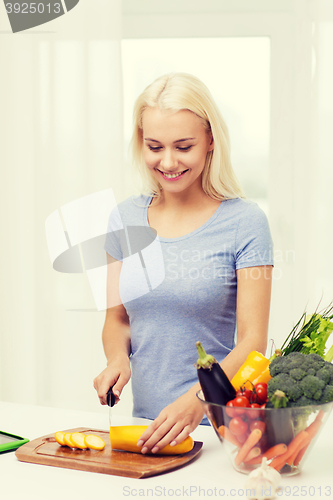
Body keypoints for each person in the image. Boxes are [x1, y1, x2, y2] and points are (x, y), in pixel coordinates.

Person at [93, 72, 273, 455]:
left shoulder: (246, 222)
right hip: (146, 429)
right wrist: (116, 360)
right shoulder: (123, 218)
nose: (168, 161)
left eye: (184, 146)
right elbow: (117, 319)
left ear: (210, 141)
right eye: (154, 146)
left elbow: (252, 341)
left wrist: (200, 399)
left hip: (223, 431)